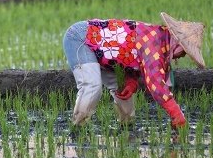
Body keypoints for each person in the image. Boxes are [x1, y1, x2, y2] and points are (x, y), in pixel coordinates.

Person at [62, 12, 205, 129]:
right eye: (184, 51)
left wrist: (131, 84)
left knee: (123, 93)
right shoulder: (154, 42)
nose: (184, 55)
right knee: (92, 87)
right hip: (81, 38)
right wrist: (177, 114)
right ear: (177, 43)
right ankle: (77, 128)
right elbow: (156, 85)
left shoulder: (160, 40)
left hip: (105, 54)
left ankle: (126, 128)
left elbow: (132, 59)